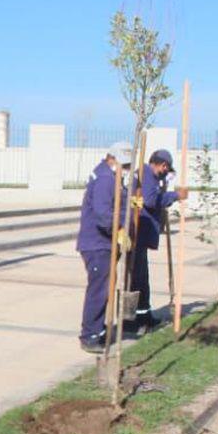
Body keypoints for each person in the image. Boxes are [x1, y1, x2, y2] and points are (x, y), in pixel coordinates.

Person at [75, 142, 135, 352]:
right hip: (97, 243)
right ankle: (90, 335)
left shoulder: (110, 177)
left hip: (102, 243)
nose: (126, 169)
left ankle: (98, 330)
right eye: (124, 165)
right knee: (99, 290)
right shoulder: (105, 179)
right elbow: (103, 214)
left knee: (104, 288)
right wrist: (117, 229)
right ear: (113, 159)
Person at [130, 149, 187, 331]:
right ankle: (130, 320)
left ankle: (144, 315)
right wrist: (175, 196)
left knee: (142, 278)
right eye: (166, 168)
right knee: (135, 279)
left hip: (143, 233)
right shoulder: (146, 175)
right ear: (162, 165)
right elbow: (151, 200)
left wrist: (167, 190)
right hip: (137, 232)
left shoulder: (153, 177)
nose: (166, 171)